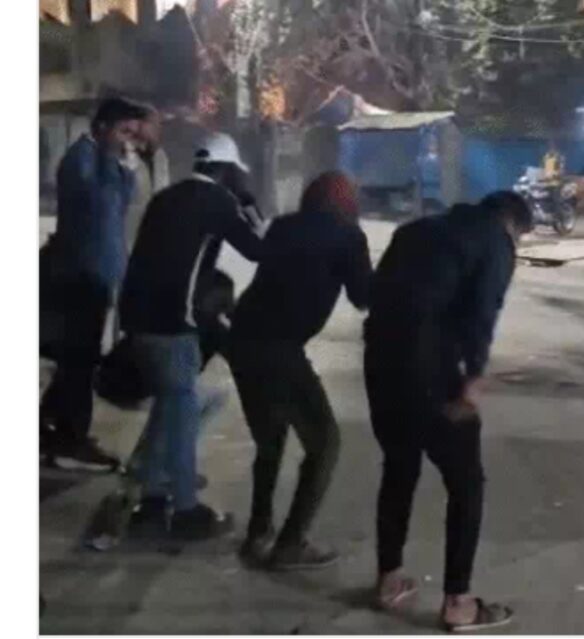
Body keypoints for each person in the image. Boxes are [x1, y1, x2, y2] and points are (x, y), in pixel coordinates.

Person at [365, 192, 532, 632]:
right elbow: (483, 311)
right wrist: (473, 374)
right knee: (466, 484)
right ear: (512, 224)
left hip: (380, 361)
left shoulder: (414, 231)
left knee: (399, 467)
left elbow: (372, 294)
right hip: (432, 371)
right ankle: (459, 602)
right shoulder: (495, 241)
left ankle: (388, 580)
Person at [119, 132, 262, 540]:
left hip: (138, 321)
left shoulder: (166, 198)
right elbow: (258, 249)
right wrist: (249, 203)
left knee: (170, 410)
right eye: (237, 173)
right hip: (173, 323)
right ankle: (185, 511)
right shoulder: (218, 202)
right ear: (226, 170)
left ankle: (151, 503)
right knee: (180, 417)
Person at [228, 172, 372, 569]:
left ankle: (259, 532)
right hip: (279, 348)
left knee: (270, 440)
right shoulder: (348, 236)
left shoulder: (284, 226)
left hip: (241, 339)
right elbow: (363, 297)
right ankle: (291, 543)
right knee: (325, 443)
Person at [40, 97, 149, 470]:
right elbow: (99, 206)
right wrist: (112, 163)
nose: (127, 141)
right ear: (102, 127)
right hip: (80, 275)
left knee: (80, 358)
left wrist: (125, 169)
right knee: (80, 359)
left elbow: (122, 204)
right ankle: (70, 435)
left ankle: (52, 425)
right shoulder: (81, 159)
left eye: (132, 134)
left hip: (99, 275)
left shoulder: (105, 159)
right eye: (123, 132)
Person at [124, 105, 170, 250]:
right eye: (153, 123)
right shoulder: (122, 154)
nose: (158, 129)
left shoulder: (161, 156)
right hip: (127, 236)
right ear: (137, 124)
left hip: (155, 234)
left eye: (159, 124)